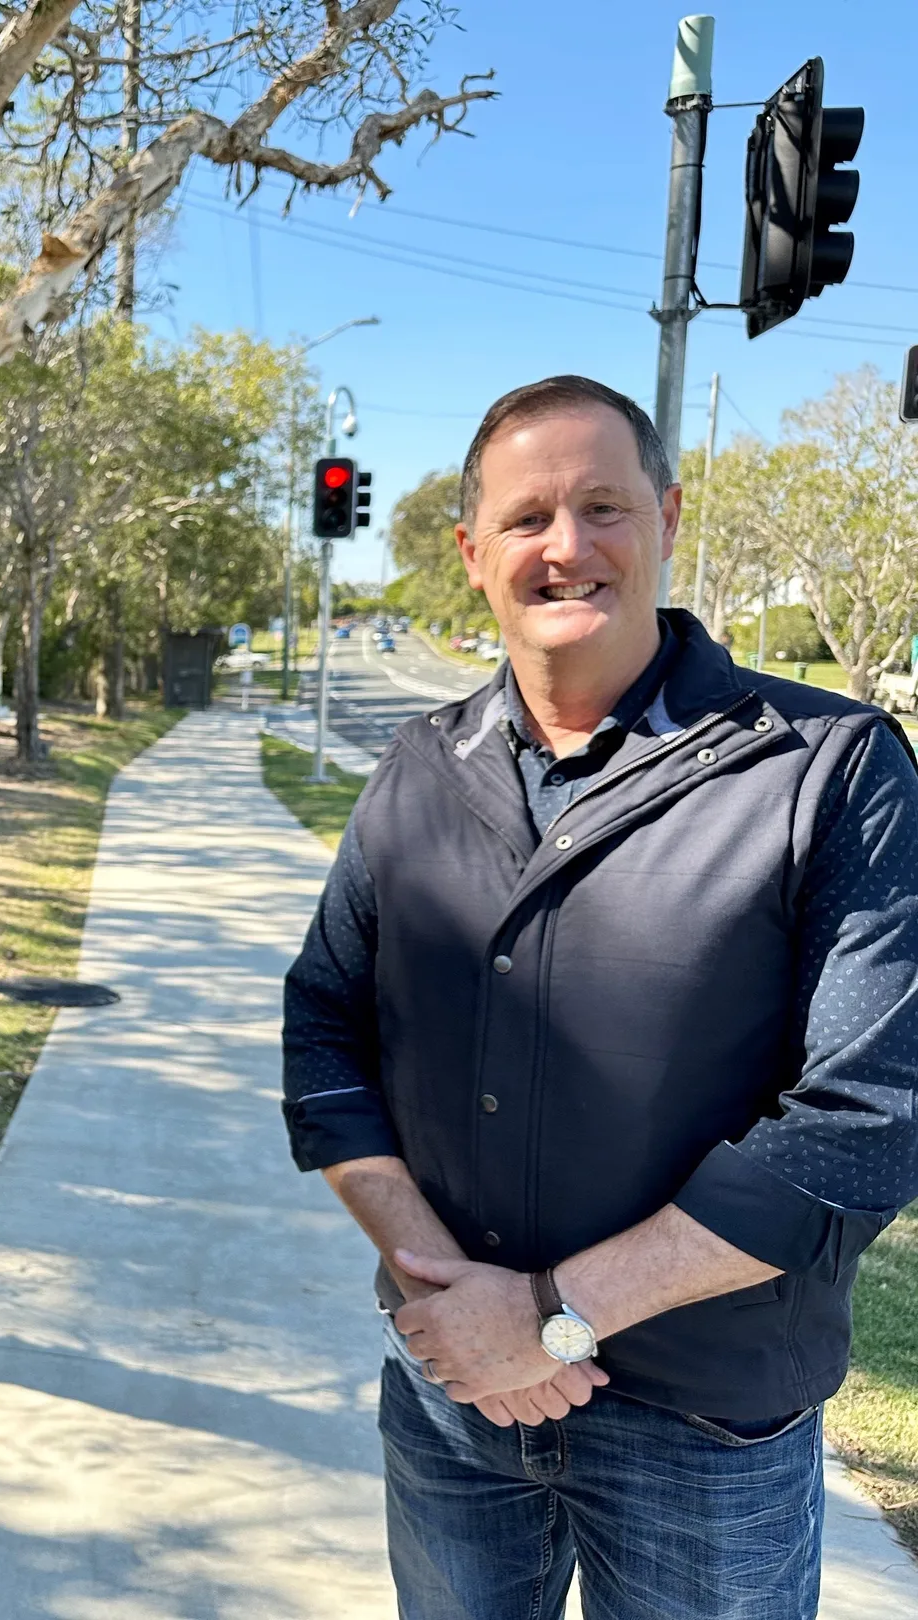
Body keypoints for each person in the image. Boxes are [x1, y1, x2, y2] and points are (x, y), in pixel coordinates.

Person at [280, 375, 918, 1620]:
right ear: (472, 555)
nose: (566, 547)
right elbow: (325, 1032)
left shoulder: (830, 771)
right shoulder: (415, 772)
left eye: (604, 506)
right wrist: (445, 1297)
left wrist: (552, 1319)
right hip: (453, 1407)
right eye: (527, 519)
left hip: (706, 1435)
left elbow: (868, 1123)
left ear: (669, 517)